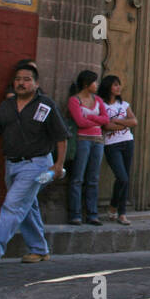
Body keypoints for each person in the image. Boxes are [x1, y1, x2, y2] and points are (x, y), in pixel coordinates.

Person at [0, 62, 69, 268]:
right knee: (27, 206)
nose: (21, 83)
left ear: (36, 84)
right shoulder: (6, 106)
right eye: (18, 79)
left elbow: (61, 137)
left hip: (37, 164)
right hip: (12, 165)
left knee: (14, 203)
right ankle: (39, 249)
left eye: (27, 79)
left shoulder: (46, 105)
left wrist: (58, 165)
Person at [66, 70, 109, 225]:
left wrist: (90, 117)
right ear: (86, 83)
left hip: (97, 141)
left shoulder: (98, 100)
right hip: (82, 141)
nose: (96, 85)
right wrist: (97, 121)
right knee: (77, 177)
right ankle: (75, 214)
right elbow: (79, 122)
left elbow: (106, 119)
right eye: (94, 82)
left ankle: (92, 213)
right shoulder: (74, 100)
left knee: (93, 178)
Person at [99, 74, 137, 225]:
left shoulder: (124, 104)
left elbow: (134, 121)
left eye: (119, 84)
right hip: (111, 144)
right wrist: (124, 123)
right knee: (122, 177)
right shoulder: (101, 104)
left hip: (127, 142)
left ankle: (122, 213)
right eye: (115, 85)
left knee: (125, 178)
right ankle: (113, 206)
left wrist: (117, 121)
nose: (118, 87)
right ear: (108, 87)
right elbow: (106, 126)